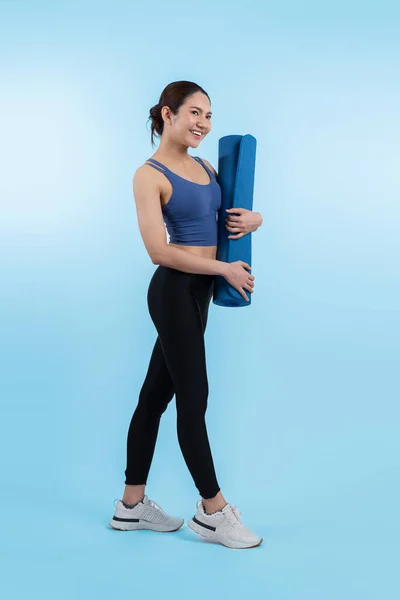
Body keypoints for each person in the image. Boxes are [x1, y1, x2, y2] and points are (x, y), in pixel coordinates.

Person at [109, 81, 263, 549]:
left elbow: (223, 222)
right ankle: (213, 511)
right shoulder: (148, 174)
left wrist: (255, 221)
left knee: (155, 396)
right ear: (167, 114)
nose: (203, 123)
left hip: (200, 291)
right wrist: (223, 268)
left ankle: (130, 506)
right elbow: (159, 251)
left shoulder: (204, 166)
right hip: (174, 290)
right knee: (193, 399)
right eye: (194, 112)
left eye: (209, 116)